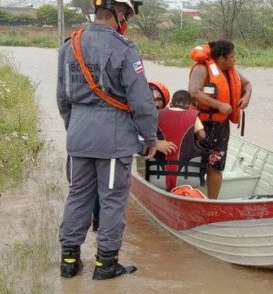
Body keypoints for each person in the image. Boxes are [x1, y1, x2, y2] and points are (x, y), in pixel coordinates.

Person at [57, 0, 158, 280]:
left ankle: (69, 261)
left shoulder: (69, 45)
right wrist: (150, 136)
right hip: (112, 137)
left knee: (77, 196)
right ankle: (106, 264)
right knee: (113, 198)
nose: (126, 20)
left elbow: (62, 97)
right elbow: (141, 99)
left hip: (78, 132)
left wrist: (74, 127)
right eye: (126, 13)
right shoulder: (124, 48)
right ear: (117, 12)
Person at [90, 80, 175, 232]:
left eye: (158, 102)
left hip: (104, 145)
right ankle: (100, 229)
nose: (154, 104)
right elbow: (125, 139)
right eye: (152, 100)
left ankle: (99, 229)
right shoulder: (126, 110)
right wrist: (153, 145)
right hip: (106, 149)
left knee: (105, 189)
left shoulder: (146, 115)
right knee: (106, 189)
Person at [188, 40, 252, 199]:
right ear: (221, 58)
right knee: (194, 162)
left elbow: (248, 84)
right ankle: (188, 195)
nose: (235, 59)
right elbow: (194, 92)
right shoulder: (201, 69)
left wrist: (246, 97)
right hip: (200, 125)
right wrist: (219, 105)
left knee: (216, 165)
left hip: (221, 127)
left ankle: (212, 202)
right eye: (232, 56)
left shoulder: (232, 71)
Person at [148, 89, 208, 190]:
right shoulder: (192, 116)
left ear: (171, 103)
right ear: (189, 106)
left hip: (158, 178)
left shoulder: (157, 114)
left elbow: (147, 136)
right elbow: (202, 136)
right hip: (187, 179)